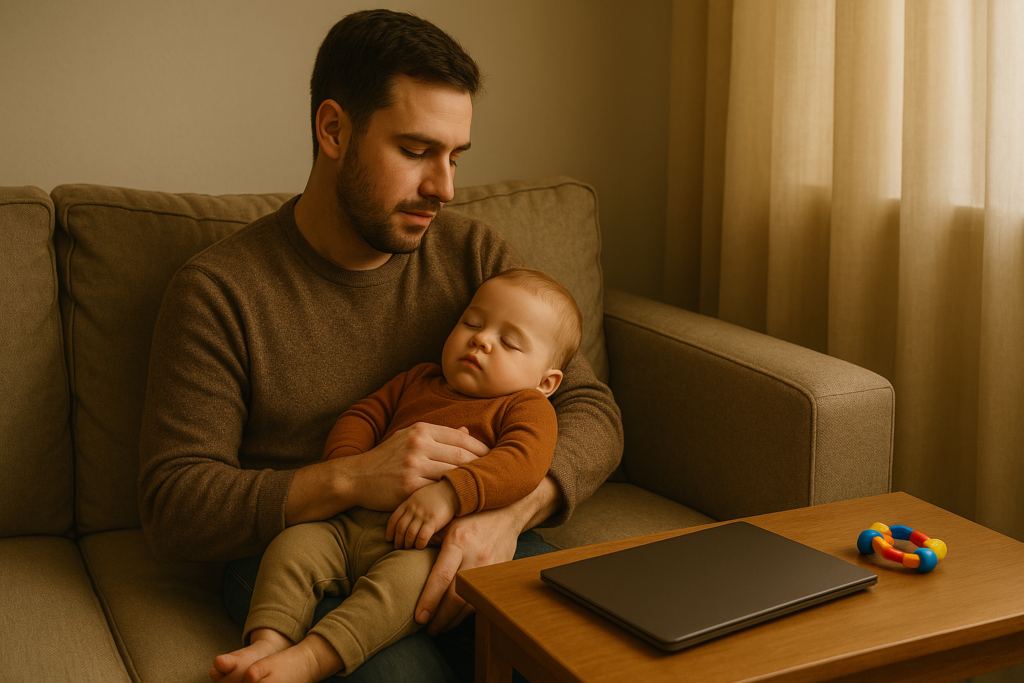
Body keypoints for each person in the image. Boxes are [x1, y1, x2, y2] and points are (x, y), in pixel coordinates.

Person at [138, 9, 622, 681]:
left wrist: (507, 510)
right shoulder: (220, 290)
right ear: (333, 129)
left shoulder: (472, 253)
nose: (444, 188)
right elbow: (174, 501)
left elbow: (592, 410)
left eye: (455, 157)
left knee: (581, 649)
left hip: (456, 519)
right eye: (417, 150)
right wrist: (350, 475)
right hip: (307, 546)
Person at [210, 268, 581, 683]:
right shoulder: (418, 380)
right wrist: (350, 467)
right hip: (346, 522)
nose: (481, 339)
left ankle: (314, 658)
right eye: (471, 323)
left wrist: (451, 495)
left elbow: (523, 462)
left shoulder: (525, 408)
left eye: (509, 342)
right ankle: (268, 643)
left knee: (397, 593)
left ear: (546, 383)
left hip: (421, 548)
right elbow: (363, 416)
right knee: (291, 549)